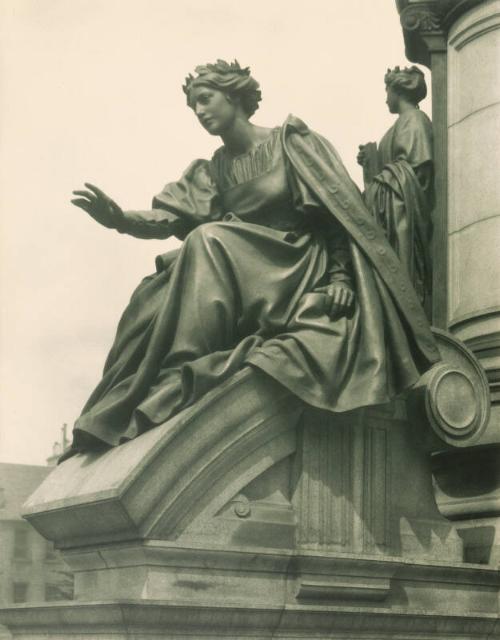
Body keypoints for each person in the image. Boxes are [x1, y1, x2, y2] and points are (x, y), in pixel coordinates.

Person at [62, 59, 440, 461]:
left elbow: (337, 217)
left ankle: (183, 367)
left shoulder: (290, 143)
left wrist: (342, 280)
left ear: (235, 96)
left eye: (206, 100)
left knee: (208, 239)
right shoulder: (212, 170)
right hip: (244, 268)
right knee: (152, 291)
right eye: (194, 107)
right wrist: (120, 219)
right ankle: (167, 379)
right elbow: (168, 217)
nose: (200, 112)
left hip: (298, 264)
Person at [357, 65, 434, 313]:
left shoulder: (415, 119)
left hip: (405, 213)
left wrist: (379, 179)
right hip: (391, 211)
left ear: (398, 90)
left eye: (387, 90)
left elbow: (415, 172)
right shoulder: (395, 127)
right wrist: (370, 165)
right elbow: (392, 173)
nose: (385, 97)